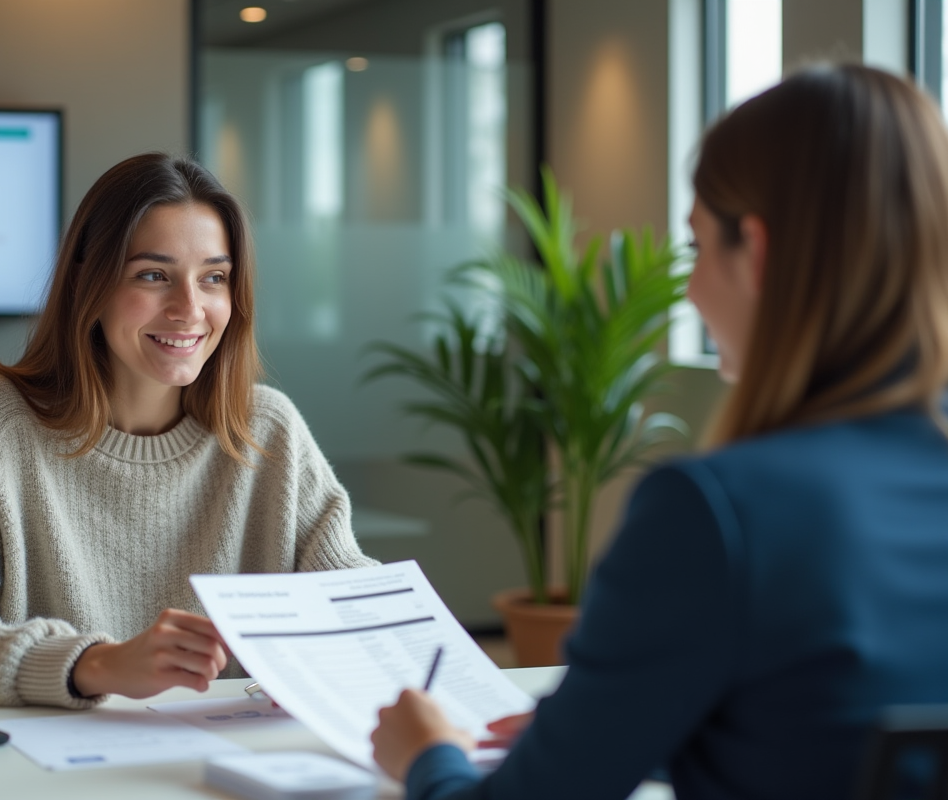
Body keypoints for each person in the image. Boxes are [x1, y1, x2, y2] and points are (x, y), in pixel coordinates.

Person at [370, 64, 948, 800]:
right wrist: (626, 729)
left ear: (759, 254)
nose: (693, 289)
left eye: (698, 248)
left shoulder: (721, 512)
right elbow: (832, 738)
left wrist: (427, 754)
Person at [0, 153, 377, 709]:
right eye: (153, 275)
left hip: (223, 762)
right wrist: (96, 664)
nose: (190, 309)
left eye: (213, 278)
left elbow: (352, 596)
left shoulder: (267, 428)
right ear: (91, 284)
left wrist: (341, 645)